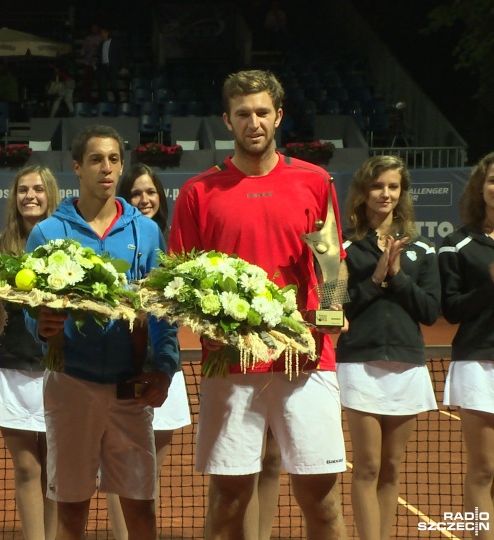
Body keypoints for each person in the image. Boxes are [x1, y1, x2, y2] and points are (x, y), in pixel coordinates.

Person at [168, 69, 348, 539]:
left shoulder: (315, 182)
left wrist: (331, 311)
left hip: (306, 360)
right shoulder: (198, 192)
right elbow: (178, 282)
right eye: (243, 113)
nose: (254, 122)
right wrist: (209, 326)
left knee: (322, 501)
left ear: (279, 116)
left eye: (263, 112)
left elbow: (334, 265)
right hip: (230, 365)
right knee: (228, 502)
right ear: (226, 120)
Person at [26, 125, 180, 539]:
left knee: (142, 513)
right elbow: (29, 310)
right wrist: (41, 326)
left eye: (114, 159)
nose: (106, 168)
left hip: (130, 389)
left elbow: (163, 310)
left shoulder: (145, 232)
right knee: (72, 515)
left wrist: (165, 366)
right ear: (76, 167)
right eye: (96, 160)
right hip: (71, 385)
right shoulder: (46, 233)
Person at [336, 154, 440, 540]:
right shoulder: (344, 248)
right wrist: (375, 277)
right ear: (363, 192)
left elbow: (430, 311)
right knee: (366, 467)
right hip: (360, 363)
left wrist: (396, 277)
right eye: (377, 186)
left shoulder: (422, 249)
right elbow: (337, 308)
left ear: (402, 193)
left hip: (407, 365)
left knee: (392, 467)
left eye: (393, 186)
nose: (385, 193)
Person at [108, 164, 191, 540]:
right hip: (122, 363)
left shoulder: (172, 242)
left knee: (151, 463)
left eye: (151, 192)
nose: (144, 200)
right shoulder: (116, 241)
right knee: (119, 460)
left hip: (163, 363)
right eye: (136, 193)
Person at [0, 165, 61, 540]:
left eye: (38, 189)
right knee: (27, 469)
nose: (30, 196)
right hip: (12, 371)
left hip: (59, 371)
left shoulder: (67, 248)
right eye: (23, 190)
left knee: (55, 469)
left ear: (51, 195)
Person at [438, 150, 494, 540]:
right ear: (480, 187)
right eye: (492, 180)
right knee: (483, 468)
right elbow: (451, 310)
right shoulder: (458, 244)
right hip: (478, 362)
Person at [97, 27, 125, 104]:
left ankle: (117, 101)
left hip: (112, 67)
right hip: (103, 67)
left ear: (107, 33)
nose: (101, 34)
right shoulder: (101, 43)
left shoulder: (115, 43)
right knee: (102, 87)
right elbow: (100, 55)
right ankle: (106, 103)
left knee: (113, 86)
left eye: (102, 32)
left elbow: (121, 55)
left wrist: (122, 66)